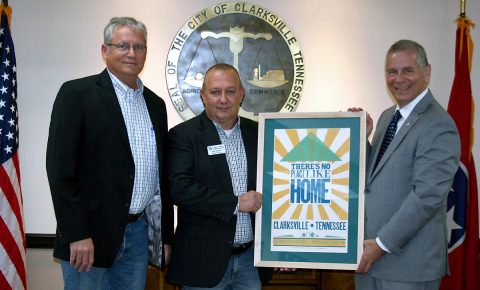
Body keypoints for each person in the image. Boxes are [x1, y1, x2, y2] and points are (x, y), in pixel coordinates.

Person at [46, 17, 173, 290]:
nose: (131, 53)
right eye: (123, 45)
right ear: (105, 51)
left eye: (139, 47)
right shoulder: (76, 94)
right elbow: (59, 172)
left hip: (138, 234)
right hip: (89, 237)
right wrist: (76, 233)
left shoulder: (155, 104)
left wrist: (164, 236)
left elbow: (161, 177)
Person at [349, 39, 460, 290]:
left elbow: (427, 196)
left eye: (408, 70)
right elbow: (375, 178)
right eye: (392, 71)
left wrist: (381, 244)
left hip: (407, 266)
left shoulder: (438, 124)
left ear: (427, 72)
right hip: (369, 259)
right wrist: (361, 139)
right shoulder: (389, 116)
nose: (399, 79)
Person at [165, 63, 272, 289]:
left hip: (251, 262)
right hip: (202, 262)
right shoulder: (184, 136)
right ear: (203, 96)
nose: (223, 99)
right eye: (215, 92)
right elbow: (179, 189)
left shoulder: (261, 133)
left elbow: (279, 182)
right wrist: (236, 203)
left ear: (241, 94)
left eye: (230, 91)